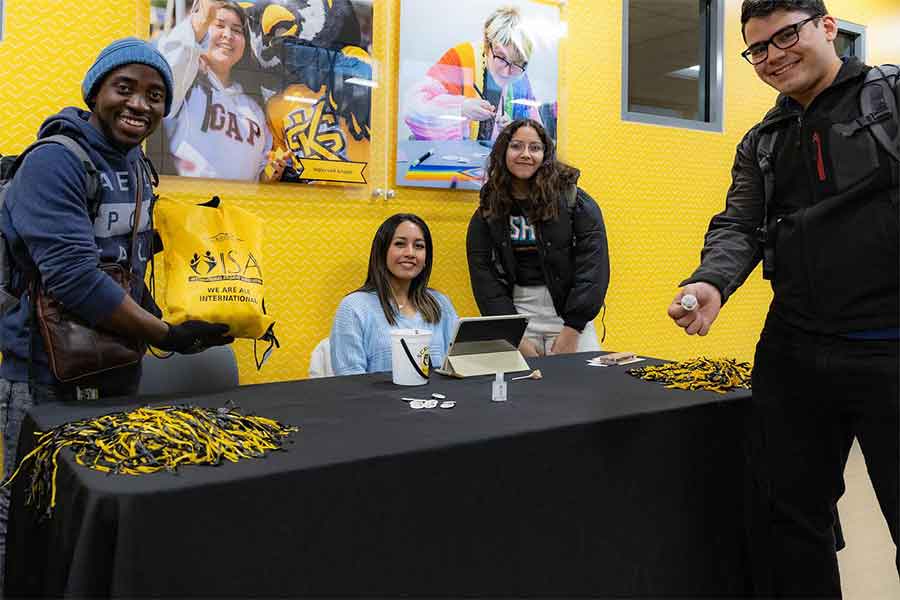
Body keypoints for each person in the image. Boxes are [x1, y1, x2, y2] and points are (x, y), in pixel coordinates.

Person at [667, 1, 898, 596]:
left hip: (891, 348)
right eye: (758, 48)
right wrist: (710, 283)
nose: (773, 56)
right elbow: (739, 225)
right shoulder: (763, 141)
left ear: (827, 28)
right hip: (796, 350)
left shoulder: (890, 100)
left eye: (786, 36)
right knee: (785, 523)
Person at [0, 38, 234, 582]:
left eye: (155, 95)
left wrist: (179, 320)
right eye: (124, 88)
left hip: (113, 367)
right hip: (40, 374)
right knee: (30, 505)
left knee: (94, 501)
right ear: (96, 92)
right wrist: (163, 336)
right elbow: (74, 279)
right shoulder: (55, 162)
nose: (139, 105)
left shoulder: (137, 167)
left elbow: (130, 267)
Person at [467, 119, 609, 357]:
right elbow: (484, 277)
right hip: (517, 317)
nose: (525, 154)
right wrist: (513, 333)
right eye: (516, 146)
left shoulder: (575, 201)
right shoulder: (488, 209)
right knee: (519, 392)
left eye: (534, 147)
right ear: (503, 152)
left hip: (570, 319)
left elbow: (594, 267)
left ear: (546, 154)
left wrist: (573, 329)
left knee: (582, 391)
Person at [156, 0, 286, 182]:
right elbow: (172, 60)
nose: (228, 35)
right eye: (219, 25)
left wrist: (270, 173)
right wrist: (203, 17)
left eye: (237, 30)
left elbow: (259, 177)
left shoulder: (254, 109)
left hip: (238, 208)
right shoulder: (186, 83)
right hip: (189, 206)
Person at [330, 214, 458, 375]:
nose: (410, 253)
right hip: (375, 400)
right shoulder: (354, 307)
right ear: (382, 251)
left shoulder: (440, 303)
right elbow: (349, 380)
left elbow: (457, 366)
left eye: (419, 246)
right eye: (400, 244)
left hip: (439, 399)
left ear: (426, 258)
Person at [403, 5, 543, 142]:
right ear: (488, 45)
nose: (507, 72)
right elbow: (413, 111)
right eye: (501, 58)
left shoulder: (519, 76)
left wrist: (514, 130)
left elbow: (537, 133)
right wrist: (461, 108)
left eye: (517, 63)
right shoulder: (460, 58)